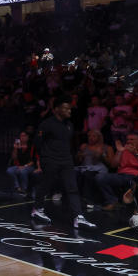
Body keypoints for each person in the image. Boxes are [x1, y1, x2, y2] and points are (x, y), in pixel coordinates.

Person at [32, 98, 96, 228]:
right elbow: (37, 143)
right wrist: (44, 158)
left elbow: (67, 143)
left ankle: (78, 217)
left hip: (66, 160)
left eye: (70, 108)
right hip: (50, 160)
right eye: (66, 108)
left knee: (72, 188)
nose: (69, 110)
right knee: (46, 185)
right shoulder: (47, 124)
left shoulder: (69, 124)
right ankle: (37, 210)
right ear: (56, 110)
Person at [96, 133, 138, 211]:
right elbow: (113, 165)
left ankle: (137, 208)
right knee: (100, 177)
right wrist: (119, 151)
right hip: (121, 176)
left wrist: (135, 153)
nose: (128, 141)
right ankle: (112, 202)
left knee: (137, 182)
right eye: (127, 140)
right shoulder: (124, 151)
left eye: (132, 139)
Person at [7, 131, 37, 195]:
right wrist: (15, 149)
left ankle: (24, 189)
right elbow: (14, 158)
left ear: (27, 137)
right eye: (21, 136)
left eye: (24, 136)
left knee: (23, 171)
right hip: (19, 166)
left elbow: (33, 161)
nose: (22, 137)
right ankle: (17, 188)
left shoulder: (31, 146)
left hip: (30, 166)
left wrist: (25, 166)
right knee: (10, 170)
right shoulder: (18, 146)